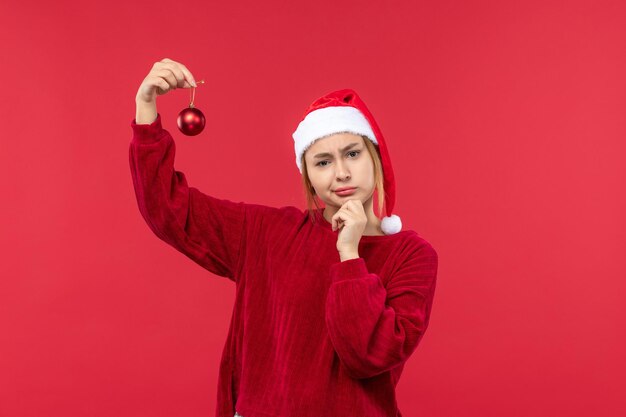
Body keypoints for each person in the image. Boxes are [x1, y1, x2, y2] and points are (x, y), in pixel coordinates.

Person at [130, 58, 439, 417]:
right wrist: (146, 106)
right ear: (307, 175)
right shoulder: (267, 232)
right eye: (322, 162)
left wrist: (350, 255)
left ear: (376, 157)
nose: (341, 173)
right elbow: (168, 210)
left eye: (353, 154)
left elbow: (369, 355)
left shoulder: (412, 255)